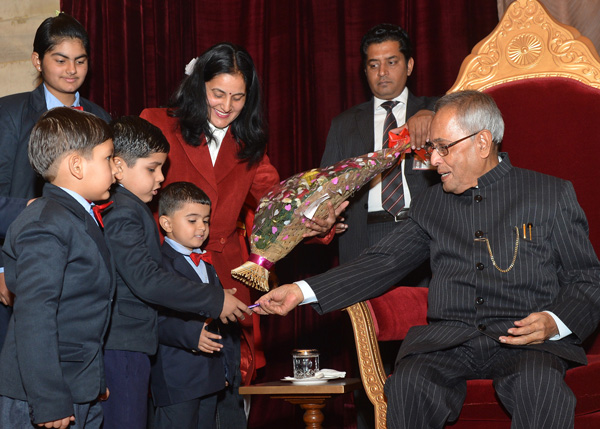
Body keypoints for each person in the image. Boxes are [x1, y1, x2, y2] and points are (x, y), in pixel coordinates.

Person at [255, 90, 600, 429]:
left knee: (539, 387)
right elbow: (382, 262)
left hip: (525, 343)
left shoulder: (550, 195)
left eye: (443, 148)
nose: (433, 160)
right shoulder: (431, 204)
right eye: (432, 148)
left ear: (482, 142)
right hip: (447, 344)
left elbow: (588, 280)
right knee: (408, 384)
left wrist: (555, 322)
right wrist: (301, 291)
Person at [140, 42, 340, 426]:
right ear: (199, 86)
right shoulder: (159, 122)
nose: (226, 106)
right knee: (175, 388)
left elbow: (277, 204)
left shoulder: (249, 143)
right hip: (168, 271)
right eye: (218, 93)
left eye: (238, 97)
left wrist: (319, 225)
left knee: (230, 390)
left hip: (228, 277)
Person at [101, 116, 251, 429]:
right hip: (125, 342)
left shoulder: (131, 208)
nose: (160, 178)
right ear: (118, 166)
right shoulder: (124, 210)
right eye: (152, 168)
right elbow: (146, 280)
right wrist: (213, 300)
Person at [0, 107, 119, 429]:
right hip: (42, 399)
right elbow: (34, 316)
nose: (116, 170)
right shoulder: (46, 224)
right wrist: (50, 399)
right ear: (77, 166)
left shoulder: (72, 216)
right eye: (108, 158)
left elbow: (79, 313)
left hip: (76, 388)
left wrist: (89, 383)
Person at [0, 12, 111, 350]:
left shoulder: (101, 118)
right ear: (38, 60)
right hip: (20, 263)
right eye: (60, 60)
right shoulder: (10, 114)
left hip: (83, 272)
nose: (71, 70)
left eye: (80, 61)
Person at [320, 23, 439, 268]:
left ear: (409, 65)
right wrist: (328, 217)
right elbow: (325, 189)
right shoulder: (343, 124)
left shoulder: (435, 110)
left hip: (423, 233)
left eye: (391, 62)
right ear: (365, 71)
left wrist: (432, 112)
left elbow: (471, 106)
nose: (382, 72)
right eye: (374, 65)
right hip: (364, 236)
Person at [151, 181, 236, 429]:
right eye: (192, 220)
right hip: (178, 380)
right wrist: (190, 334)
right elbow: (153, 318)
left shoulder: (207, 264)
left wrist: (226, 371)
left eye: (206, 221)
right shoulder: (158, 265)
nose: (202, 227)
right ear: (166, 223)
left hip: (210, 377)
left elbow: (220, 324)